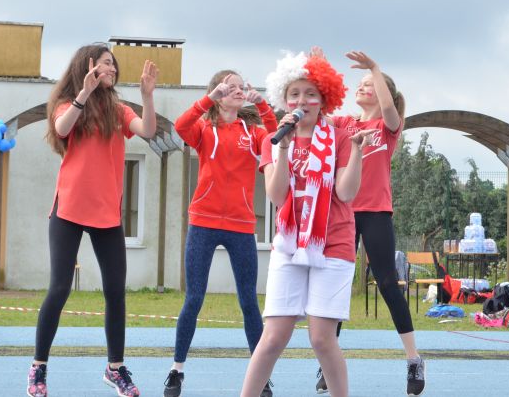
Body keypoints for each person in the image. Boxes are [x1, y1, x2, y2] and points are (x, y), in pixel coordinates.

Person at [239, 51, 375, 397]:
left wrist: (357, 153)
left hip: (333, 245)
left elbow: (345, 193)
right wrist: (284, 149)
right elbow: (277, 195)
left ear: (324, 99)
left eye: (310, 93)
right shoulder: (274, 140)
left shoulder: (340, 137)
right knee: (273, 336)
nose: (302, 101)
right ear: (284, 100)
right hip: (289, 244)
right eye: (294, 94)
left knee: (321, 338)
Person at [28, 43, 158, 397]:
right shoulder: (69, 103)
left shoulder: (118, 109)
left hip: (106, 214)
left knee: (115, 291)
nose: (112, 69)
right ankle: (38, 367)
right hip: (68, 211)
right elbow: (62, 128)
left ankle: (115, 369)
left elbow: (147, 130)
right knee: (59, 288)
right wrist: (84, 93)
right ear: (88, 67)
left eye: (114, 65)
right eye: (105, 63)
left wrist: (147, 97)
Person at [312, 48, 426, 396]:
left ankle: (413, 359)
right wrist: (315, 71)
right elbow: (315, 112)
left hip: (375, 212)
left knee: (388, 283)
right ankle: (327, 362)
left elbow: (390, 111)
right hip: (343, 213)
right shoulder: (343, 124)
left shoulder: (386, 127)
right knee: (338, 283)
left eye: (369, 84)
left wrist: (375, 67)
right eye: (359, 83)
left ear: (383, 92)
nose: (361, 87)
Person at [163, 70, 278, 397]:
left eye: (242, 87)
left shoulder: (252, 132)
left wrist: (263, 104)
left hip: (241, 225)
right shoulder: (204, 128)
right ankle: (176, 370)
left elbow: (276, 137)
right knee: (194, 298)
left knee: (248, 301)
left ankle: (261, 377)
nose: (239, 91)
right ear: (218, 92)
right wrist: (208, 99)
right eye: (231, 87)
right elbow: (180, 126)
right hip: (203, 221)